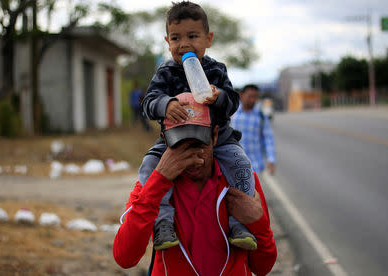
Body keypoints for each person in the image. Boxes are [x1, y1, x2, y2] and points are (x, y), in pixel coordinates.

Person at [113, 94, 277, 275]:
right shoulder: (150, 185)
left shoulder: (241, 182)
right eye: (180, 145)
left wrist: (257, 223)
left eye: (199, 144)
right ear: (165, 140)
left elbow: (263, 267)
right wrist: (158, 182)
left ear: (215, 136)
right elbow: (125, 257)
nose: (192, 157)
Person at [139, 1, 256, 251]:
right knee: (149, 166)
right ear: (167, 42)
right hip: (173, 138)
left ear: (208, 39)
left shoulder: (216, 70)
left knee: (241, 164)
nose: (184, 44)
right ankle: (163, 223)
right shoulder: (165, 72)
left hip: (218, 138)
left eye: (193, 36)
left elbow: (233, 102)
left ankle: (239, 223)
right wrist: (165, 104)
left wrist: (219, 96)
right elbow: (148, 103)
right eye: (175, 38)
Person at [231, 84, 276, 175]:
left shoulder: (261, 116)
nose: (253, 100)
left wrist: (271, 159)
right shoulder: (232, 114)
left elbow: (268, 138)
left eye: (255, 97)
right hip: (234, 167)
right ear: (241, 95)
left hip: (255, 167)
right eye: (250, 96)